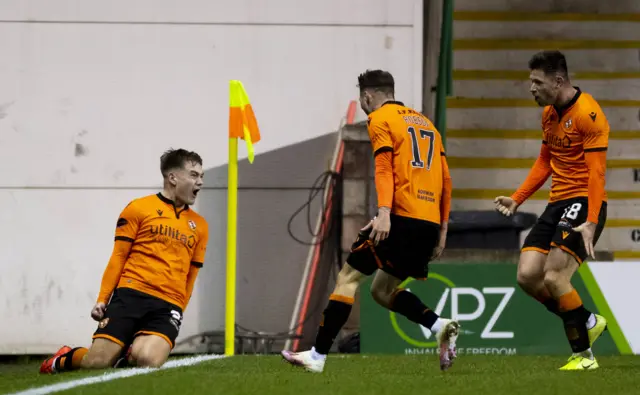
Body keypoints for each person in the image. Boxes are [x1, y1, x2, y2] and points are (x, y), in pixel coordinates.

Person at [281, 69, 459, 373]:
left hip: (401, 218)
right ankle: (438, 324)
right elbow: (446, 179)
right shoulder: (427, 124)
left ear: (367, 96)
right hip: (428, 225)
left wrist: (385, 212)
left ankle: (318, 355)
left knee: (347, 278)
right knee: (381, 290)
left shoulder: (380, 119)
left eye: (362, 99)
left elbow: (384, 169)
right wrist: (442, 231)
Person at [40, 148, 209, 374]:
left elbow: (191, 275)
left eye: (201, 176)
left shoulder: (200, 225)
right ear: (173, 177)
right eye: (194, 175)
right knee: (96, 363)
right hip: (131, 294)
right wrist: (103, 299)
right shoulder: (138, 208)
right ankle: (64, 358)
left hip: (168, 304)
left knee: (148, 360)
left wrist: (179, 311)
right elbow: (119, 256)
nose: (200, 182)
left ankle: (128, 350)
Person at [494, 50, 609, 370]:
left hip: (584, 202)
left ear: (558, 81)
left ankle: (583, 357)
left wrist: (590, 221)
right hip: (557, 203)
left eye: (536, 81)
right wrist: (518, 197)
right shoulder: (548, 113)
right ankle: (585, 320)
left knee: (555, 276)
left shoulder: (589, 114)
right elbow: (546, 161)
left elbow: (597, 173)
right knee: (528, 276)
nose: (531, 87)